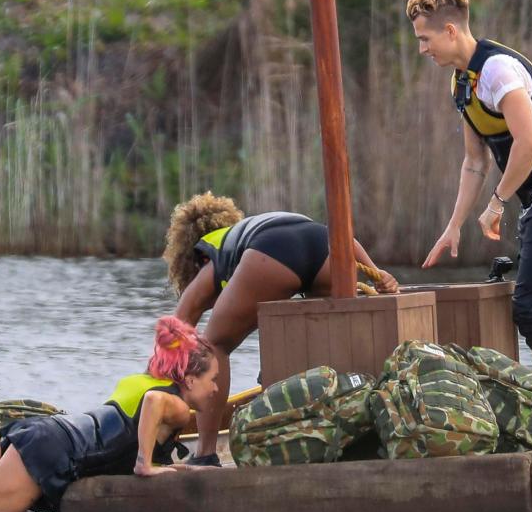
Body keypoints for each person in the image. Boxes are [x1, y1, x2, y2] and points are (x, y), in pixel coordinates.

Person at [406, 0, 532, 444]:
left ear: (450, 30)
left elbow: (530, 143)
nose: (422, 49)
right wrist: (453, 225)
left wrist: (496, 204)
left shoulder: (499, 71)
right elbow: (474, 160)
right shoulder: (461, 84)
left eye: (425, 39)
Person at [0, 317, 219, 512]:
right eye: (212, 380)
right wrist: (145, 464)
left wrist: (179, 467)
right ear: (188, 379)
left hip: (46, 435)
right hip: (53, 451)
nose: (216, 389)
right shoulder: (175, 403)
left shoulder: (139, 380)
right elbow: (155, 403)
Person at [164, 191, 399, 463]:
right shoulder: (254, 227)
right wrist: (377, 273)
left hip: (274, 252)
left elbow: (178, 328)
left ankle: (204, 455)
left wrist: (161, 389)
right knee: (316, 330)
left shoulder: (209, 252)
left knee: (213, 346)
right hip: (326, 247)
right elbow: (340, 239)